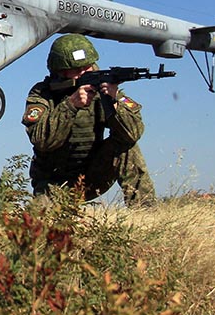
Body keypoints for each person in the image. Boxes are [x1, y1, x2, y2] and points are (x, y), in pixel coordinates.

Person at [20, 33, 156, 207]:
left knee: (125, 146)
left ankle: (145, 211)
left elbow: (132, 134)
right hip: (54, 184)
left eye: (87, 67)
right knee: (38, 227)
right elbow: (42, 141)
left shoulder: (102, 89)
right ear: (60, 71)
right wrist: (71, 105)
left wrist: (113, 102)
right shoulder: (42, 94)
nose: (84, 73)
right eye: (77, 70)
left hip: (94, 176)